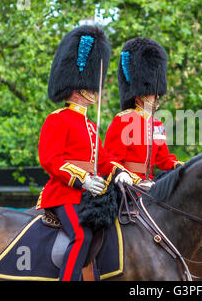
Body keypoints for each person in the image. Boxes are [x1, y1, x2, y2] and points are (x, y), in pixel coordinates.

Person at [36, 25, 140, 281]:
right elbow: (50, 159)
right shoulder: (58, 119)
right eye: (92, 86)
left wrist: (123, 175)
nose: (96, 91)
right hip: (64, 193)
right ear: (76, 86)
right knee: (81, 234)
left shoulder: (90, 125)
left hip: (90, 195)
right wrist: (82, 178)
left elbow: (103, 159)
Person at [104, 37, 183, 182]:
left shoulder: (157, 124)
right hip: (126, 185)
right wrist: (128, 178)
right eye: (152, 91)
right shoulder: (123, 120)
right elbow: (111, 159)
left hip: (150, 183)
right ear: (138, 94)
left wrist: (184, 167)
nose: (157, 95)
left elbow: (164, 159)